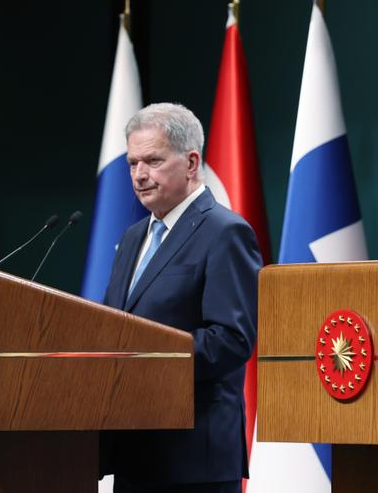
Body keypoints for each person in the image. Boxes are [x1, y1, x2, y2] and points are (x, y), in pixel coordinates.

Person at [101, 102, 261, 493]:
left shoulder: (225, 232)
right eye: (132, 163)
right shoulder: (134, 237)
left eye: (152, 161)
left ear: (191, 163)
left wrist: (144, 357)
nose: (139, 175)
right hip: (135, 449)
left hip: (193, 459)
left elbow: (232, 339)